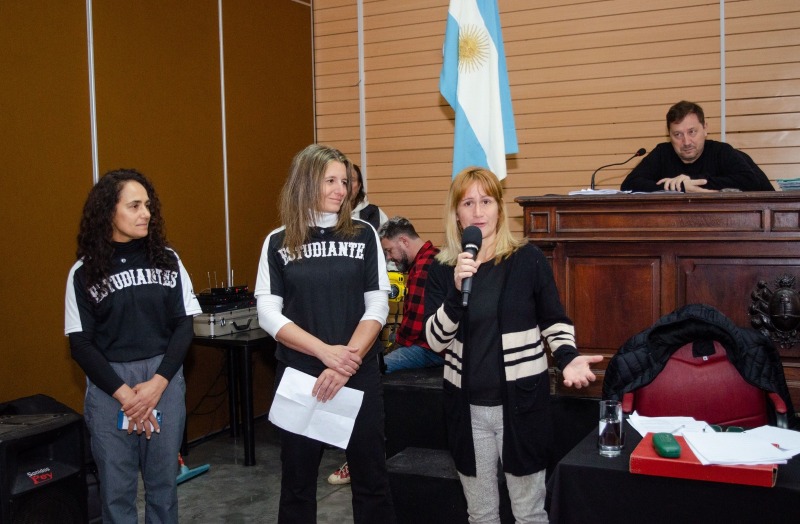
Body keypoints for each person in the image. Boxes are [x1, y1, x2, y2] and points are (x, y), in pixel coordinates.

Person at [424, 167, 604, 523]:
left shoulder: (527, 260)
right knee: (481, 514)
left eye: (487, 201)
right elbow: (434, 339)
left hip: (521, 406)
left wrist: (567, 358)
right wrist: (455, 291)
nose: (479, 211)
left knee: (529, 513)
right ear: (457, 214)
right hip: (467, 410)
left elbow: (554, 320)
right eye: (469, 203)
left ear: (499, 208)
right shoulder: (443, 269)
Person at [254, 144, 396, 523]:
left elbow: (377, 306)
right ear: (305, 183)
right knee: (297, 485)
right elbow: (268, 314)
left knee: (371, 480)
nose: (341, 189)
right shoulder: (278, 241)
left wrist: (344, 361)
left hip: (358, 373)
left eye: (344, 181)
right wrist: (325, 353)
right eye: (330, 180)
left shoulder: (364, 234)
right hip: (301, 377)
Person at [64, 169, 202, 523]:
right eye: (135, 206)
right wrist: (126, 395)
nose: (146, 214)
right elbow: (80, 343)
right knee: (117, 491)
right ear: (109, 211)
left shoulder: (168, 259)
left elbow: (184, 325)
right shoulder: (84, 272)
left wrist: (157, 384)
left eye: (148, 206)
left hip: (164, 379)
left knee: (163, 488)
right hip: (112, 386)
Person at [327, 216, 442, 486]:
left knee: (367, 372)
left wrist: (392, 347)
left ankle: (359, 459)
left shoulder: (427, 266)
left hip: (429, 349)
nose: (390, 257)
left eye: (389, 250)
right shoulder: (428, 260)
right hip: (429, 345)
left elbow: (417, 326)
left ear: (404, 241)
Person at [620, 100, 774, 193]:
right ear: (669, 135)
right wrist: (676, 187)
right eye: (678, 135)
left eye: (692, 132)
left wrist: (691, 182)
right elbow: (629, 184)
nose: (686, 142)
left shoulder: (722, 152)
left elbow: (750, 181)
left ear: (705, 129)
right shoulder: (662, 153)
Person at [350, 163, 388, 231]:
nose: (347, 185)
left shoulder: (375, 214)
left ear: (359, 186)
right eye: (344, 181)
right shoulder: (328, 213)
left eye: (352, 180)